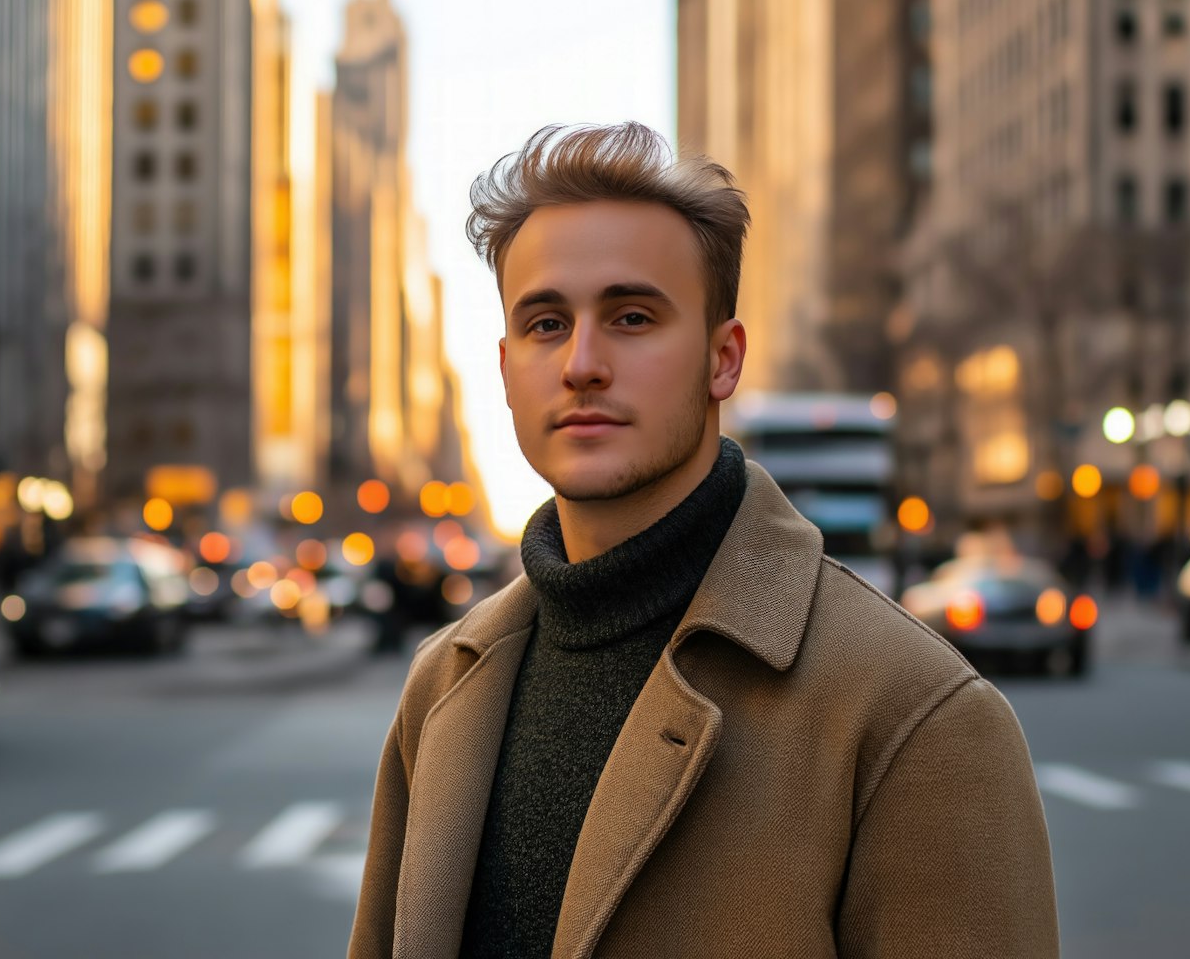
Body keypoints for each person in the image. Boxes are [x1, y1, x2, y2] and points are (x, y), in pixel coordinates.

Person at [349, 123, 1059, 958]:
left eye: (633, 316)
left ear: (723, 360)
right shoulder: (442, 686)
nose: (582, 362)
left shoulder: (915, 714)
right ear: (506, 370)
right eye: (546, 324)